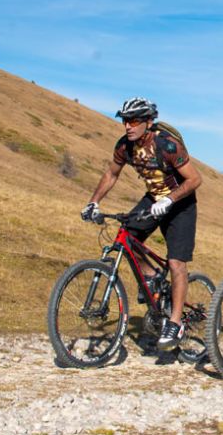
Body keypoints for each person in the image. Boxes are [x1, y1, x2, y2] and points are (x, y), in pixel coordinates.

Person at [81, 97, 202, 350]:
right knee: (127, 236)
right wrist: (93, 203)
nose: (128, 126)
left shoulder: (167, 145)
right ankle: (152, 276)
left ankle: (175, 322)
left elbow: (194, 179)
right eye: (125, 120)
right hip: (153, 198)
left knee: (177, 262)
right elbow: (111, 174)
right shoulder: (125, 146)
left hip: (181, 203)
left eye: (135, 120)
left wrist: (170, 200)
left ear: (148, 121)